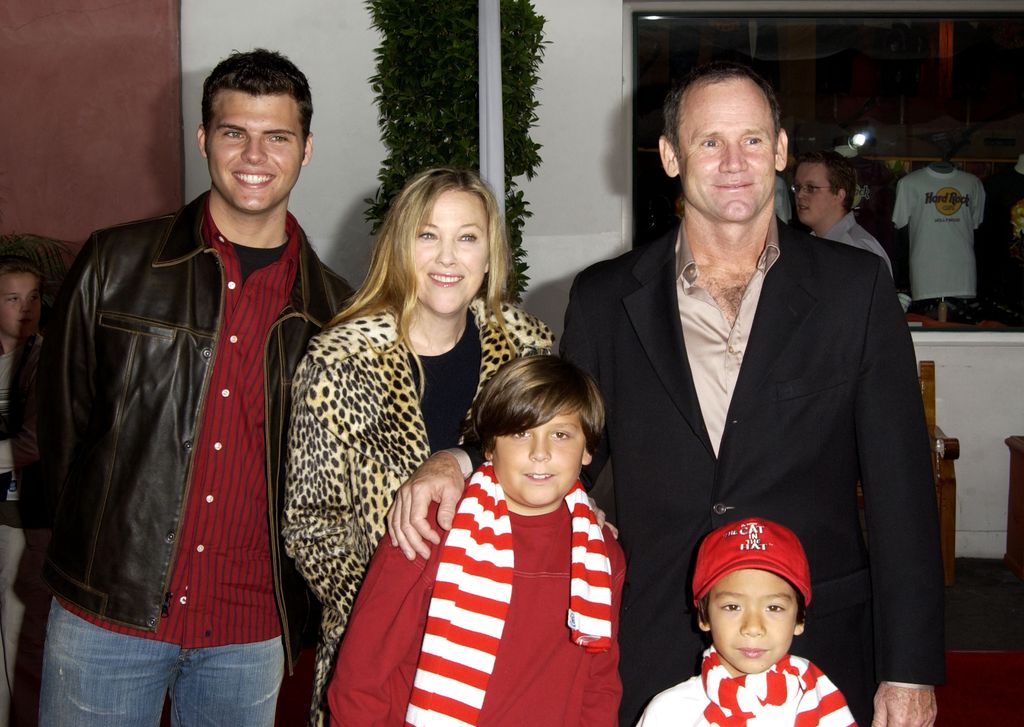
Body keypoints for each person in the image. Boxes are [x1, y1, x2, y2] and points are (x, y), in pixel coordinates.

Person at [388, 61, 945, 727]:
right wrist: (460, 461)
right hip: (660, 644)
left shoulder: (857, 290)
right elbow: (565, 447)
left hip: (813, 644)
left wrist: (909, 667)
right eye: (709, 141)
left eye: (753, 140)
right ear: (671, 155)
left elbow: (902, 491)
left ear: (782, 149)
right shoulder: (605, 299)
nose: (734, 161)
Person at [36, 49, 351, 726]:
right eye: (235, 131)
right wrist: (100, 553)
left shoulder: (335, 311)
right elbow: (59, 430)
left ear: (306, 149)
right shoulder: (114, 263)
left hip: (250, 634)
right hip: (108, 619)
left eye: (278, 136)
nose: (254, 154)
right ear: (205, 138)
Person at [283, 167, 553, 725]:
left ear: (489, 251)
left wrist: (463, 456)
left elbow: (557, 467)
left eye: (467, 236)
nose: (448, 258)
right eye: (427, 235)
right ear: (400, 246)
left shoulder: (529, 351)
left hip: (505, 648)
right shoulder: (340, 360)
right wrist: (399, 613)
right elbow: (311, 524)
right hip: (378, 657)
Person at [325, 354, 624, 726]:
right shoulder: (429, 530)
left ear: (588, 450)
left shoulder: (599, 555)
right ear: (488, 446)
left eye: (561, 434)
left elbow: (598, 687)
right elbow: (362, 676)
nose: (540, 452)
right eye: (520, 432)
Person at [637, 517, 855, 726]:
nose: (752, 627)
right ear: (704, 616)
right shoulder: (669, 713)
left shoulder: (821, 704)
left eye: (774, 608)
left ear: (800, 619)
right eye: (732, 607)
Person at [0, 257, 45, 727]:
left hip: (28, 517)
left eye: (33, 297)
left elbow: (34, 444)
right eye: (13, 298)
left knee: (21, 635)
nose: (25, 309)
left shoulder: (45, 356)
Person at [793, 150, 893, 275]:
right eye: (797, 187)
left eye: (811, 188)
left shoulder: (858, 251)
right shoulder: (811, 244)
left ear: (839, 195)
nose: (800, 195)